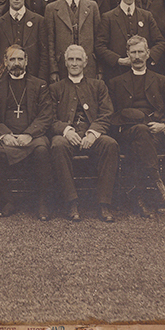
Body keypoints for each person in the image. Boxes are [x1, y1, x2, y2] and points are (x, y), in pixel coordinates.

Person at [108, 36, 165, 217]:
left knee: (140, 142)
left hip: (154, 133)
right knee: (140, 131)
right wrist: (132, 118)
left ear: (148, 54)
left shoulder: (161, 80)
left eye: (141, 52)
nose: (137, 56)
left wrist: (163, 125)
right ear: (127, 55)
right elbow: (112, 116)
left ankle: (138, 198)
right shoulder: (116, 82)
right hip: (127, 133)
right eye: (133, 52)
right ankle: (160, 187)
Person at [0, 45, 53, 220]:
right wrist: (5, 135)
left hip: (32, 137)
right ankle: (8, 200)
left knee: (43, 150)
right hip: (6, 138)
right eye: (12, 59)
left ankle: (42, 202)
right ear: (5, 62)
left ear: (26, 61)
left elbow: (46, 115)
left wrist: (29, 134)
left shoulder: (40, 85)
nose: (16, 63)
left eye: (20, 59)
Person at [49, 45, 118, 222]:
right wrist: (66, 130)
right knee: (57, 144)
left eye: (78, 59)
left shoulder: (98, 85)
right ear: (65, 63)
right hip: (68, 136)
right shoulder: (55, 88)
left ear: (85, 63)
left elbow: (106, 114)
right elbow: (49, 118)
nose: (74, 63)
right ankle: (71, 202)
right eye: (70, 60)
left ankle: (104, 204)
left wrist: (92, 133)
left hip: (91, 135)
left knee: (110, 144)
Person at [97, 0, 165, 82]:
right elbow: (100, 46)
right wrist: (118, 60)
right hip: (117, 73)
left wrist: (145, 57)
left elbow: (160, 42)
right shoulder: (108, 17)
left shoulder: (146, 16)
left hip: (143, 73)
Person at [45, 0, 100, 81]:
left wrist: (100, 69)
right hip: (62, 65)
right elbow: (50, 41)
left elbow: (98, 40)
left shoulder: (92, 7)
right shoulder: (52, 8)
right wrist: (53, 70)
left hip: (88, 65)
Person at [0, 0, 48, 81]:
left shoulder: (38, 21)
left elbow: (43, 54)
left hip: (32, 78)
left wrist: (41, 80)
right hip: (6, 80)